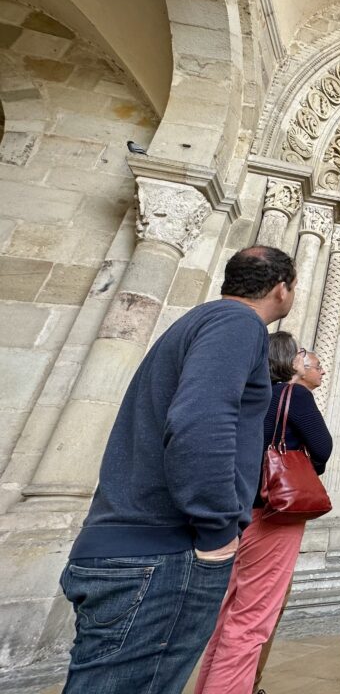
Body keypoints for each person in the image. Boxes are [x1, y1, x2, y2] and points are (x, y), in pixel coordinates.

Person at [59, 246, 296, 694]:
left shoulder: (198, 322)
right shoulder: (237, 324)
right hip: (164, 552)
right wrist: (218, 532)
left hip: (131, 547)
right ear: (283, 290)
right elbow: (198, 423)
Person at [196, 336, 334, 692]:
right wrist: (302, 469)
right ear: (289, 362)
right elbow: (323, 446)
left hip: (239, 511)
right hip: (274, 513)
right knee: (252, 620)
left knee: (230, 614)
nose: (310, 360)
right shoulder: (294, 396)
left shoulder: (249, 394)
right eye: (303, 354)